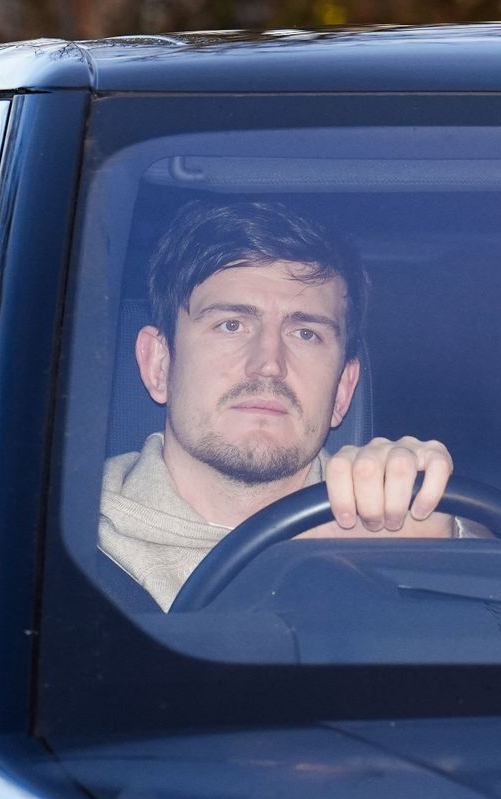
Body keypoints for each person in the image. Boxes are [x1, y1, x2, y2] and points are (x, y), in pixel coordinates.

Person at [100, 200, 464, 612]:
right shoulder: (63, 540)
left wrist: (450, 544)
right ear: (159, 365)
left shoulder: (394, 543)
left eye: (306, 333)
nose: (269, 364)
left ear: (343, 390)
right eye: (231, 325)